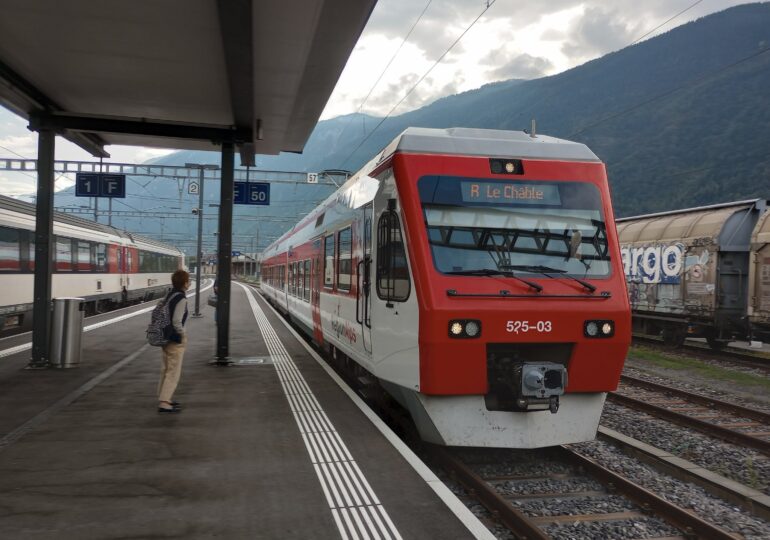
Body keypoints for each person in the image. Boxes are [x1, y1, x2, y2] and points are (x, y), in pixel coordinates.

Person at [158, 269, 190, 413]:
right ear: (184, 283)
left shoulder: (170, 295)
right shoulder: (181, 298)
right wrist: (183, 335)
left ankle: (164, 398)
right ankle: (164, 402)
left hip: (166, 337)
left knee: (166, 369)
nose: (189, 283)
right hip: (174, 339)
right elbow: (177, 321)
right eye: (188, 280)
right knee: (173, 371)